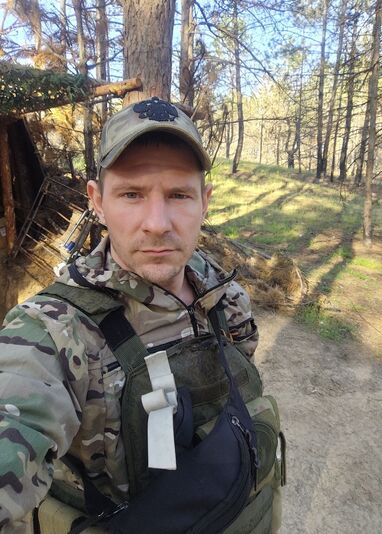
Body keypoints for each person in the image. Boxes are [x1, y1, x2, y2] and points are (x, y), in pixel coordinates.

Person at [0, 97, 283, 533]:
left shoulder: (224, 296)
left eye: (179, 195)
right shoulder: (53, 332)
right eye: (132, 194)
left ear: (205, 202)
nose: (157, 223)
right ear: (97, 201)